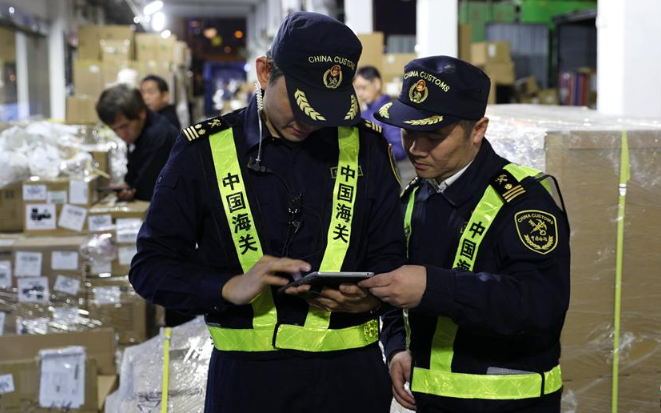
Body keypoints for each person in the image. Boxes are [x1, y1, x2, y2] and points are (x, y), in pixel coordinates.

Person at [129, 11, 405, 413]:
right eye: (301, 102)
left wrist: (371, 300)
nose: (310, 121)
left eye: (324, 108)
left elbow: (392, 256)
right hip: (247, 387)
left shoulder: (367, 149)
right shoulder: (202, 152)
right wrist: (226, 287)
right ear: (265, 72)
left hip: (351, 384)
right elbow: (150, 268)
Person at [360, 56, 571, 413]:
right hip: (430, 401)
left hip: (510, 406)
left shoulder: (524, 203)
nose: (415, 149)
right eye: (409, 132)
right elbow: (395, 285)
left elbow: (539, 305)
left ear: (477, 130)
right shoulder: (415, 197)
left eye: (433, 137)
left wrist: (434, 287)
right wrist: (397, 347)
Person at [96, 84, 178, 202]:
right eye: (114, 129)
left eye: (124, 126)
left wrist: (131, 190)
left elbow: (147, 191)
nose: (121, 134)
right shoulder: (138, 131)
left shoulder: (159, 136)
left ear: (141, 113)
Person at [353, 66, 405, 162]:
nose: (360, 93)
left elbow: (399, 149)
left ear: (377, 84)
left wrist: (370, 153)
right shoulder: (364, 113)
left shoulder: (390, 111)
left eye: (363, 87)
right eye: (357, 89)